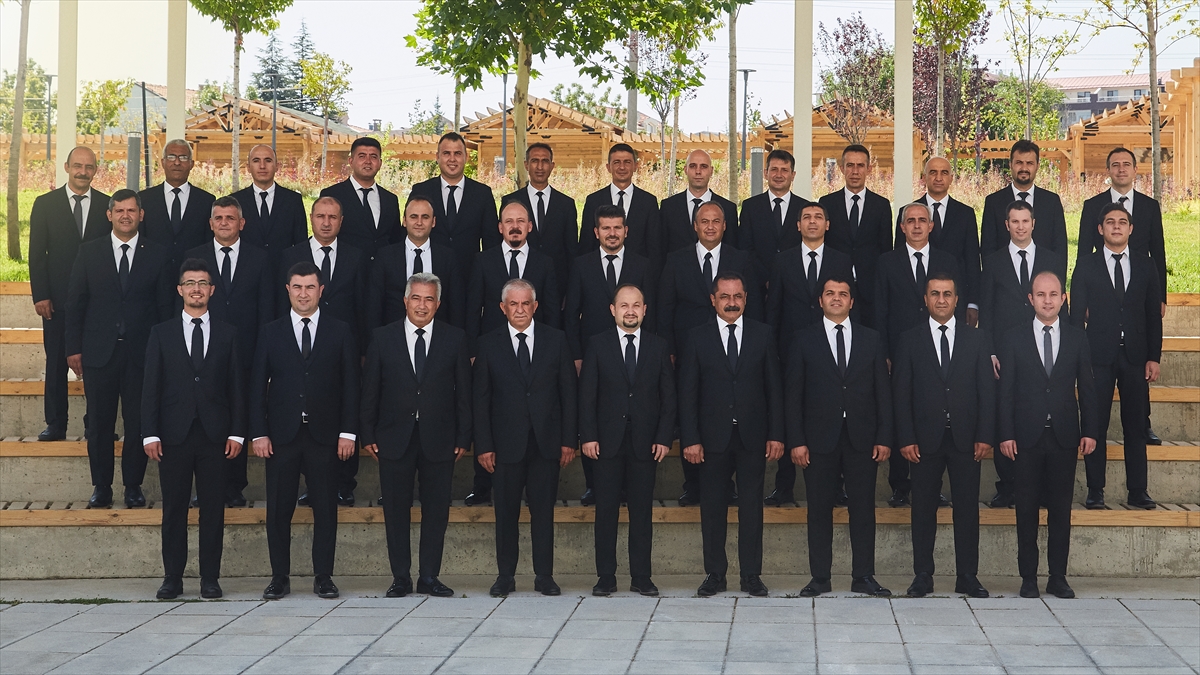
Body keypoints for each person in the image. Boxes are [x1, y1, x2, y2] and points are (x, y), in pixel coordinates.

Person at [251, 262, 360, 601]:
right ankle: (279, 577)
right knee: (278, 510)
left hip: (325, 436)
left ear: (320, 290)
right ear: (288, 290)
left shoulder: (340, 331)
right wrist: (258, 432)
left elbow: (351, 386)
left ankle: (323, 576)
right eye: (297, 287)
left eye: (310, 287)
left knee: (326, 509)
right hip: (281, 436)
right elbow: (256, 386)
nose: (303, 294)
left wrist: (348, 432)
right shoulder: (270, 332)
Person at [360, 273, 471, 598]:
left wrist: (464, 436)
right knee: (396, 511)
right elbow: (370, 390)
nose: (422, 305)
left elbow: (464, 393)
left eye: (429, 299)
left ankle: (429, 576)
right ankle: (400, 577)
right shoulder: (382, 337)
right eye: (417, 298)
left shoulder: (455, 338)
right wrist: (367, 432)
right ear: (405, 300)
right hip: (393, 437)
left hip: (440, 438)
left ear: (438, 303)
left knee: (436, 511)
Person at [142, 258, 245, 600]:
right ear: (179, 290)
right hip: (173, 435)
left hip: (216, 435)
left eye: (202, 283)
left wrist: (237, 432)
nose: (196, 289)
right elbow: (151, 387)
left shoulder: (229, 333)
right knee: (174, 509)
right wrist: (150, 432)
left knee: (213, 510)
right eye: (190, 283)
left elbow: (237, 387)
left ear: (212, 290)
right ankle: (172, 578)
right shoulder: (161, 333)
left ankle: (210, 578)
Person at [65, 189, 174, 508]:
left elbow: (165, 308)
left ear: (141, 215)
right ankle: (101, 486)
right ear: (109, 215)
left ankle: (133, 486)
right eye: (120, 210)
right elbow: (76, 303)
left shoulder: (158, 253)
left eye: (132, 210)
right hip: (99, 353)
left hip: (142, 354)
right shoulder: (89, 252)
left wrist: (165, 352)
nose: (126, 216)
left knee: (138, 422)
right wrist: (73, 348)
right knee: (99, 423)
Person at [678, 271, 784, 598]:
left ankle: (751, 575)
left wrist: (777, 434)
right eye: (725, 297)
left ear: (746, 299)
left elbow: (774, 389)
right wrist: (691, 438)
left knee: (752, 508)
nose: (732, 302)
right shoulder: (696, 337)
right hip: (711, 439)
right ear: (713, 300)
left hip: (753, 436)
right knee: (712, 507)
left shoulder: (763, 335)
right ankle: (715, 574)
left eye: (737, 296)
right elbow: (688, 392)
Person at [786, 276, 892, 598]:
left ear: (851, 301)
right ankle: (820, 577)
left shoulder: (871, 339)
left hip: (862, 437)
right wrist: (797, 440)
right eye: (830, 293)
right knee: (818, 509)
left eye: (843, 294)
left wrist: (884, 436)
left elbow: (883, 392)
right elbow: (793, 395)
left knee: (863, 509)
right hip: (818, 439)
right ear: (820, 301)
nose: (836, 298)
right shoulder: (803, 339)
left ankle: (864, 576)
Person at [473, 279, 577, 597]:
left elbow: (568, 394)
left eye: (525, 303)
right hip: (504, 445)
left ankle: (544, 576)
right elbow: (481, 399)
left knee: (543, 512)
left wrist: (568, 440)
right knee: (505, 513)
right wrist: (484, 445)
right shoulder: (488, 344)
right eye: (513, 304)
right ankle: (505, 576)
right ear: (503, 308)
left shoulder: (556, 340)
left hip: (546, 443)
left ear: (535, 306)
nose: (520, 310)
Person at [998, 270, 1099, 599]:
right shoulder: (1013, 337)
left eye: (1053, 294)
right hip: (1025, 437)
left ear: (1063, 298)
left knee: (1060, 510)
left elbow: (1087, 388)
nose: (1047, 300)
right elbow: (1006, 392)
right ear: (1030, 299)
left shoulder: (1077, 338)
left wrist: (1090, 430)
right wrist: (1006, 433)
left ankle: (1058, 577)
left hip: (1064, 436)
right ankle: (1028, 577)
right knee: (1025, 509)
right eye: (1040, 295)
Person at [892, 273, 994, 598]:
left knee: (967, 508)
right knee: (922, 509)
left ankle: (967, 575)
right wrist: (906, 437)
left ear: (956, 299)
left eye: (947, 294)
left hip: (966, 438)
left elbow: (986, 391)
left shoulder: (976, 339)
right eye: (935, 293)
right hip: (923, 440)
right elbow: (901, 394)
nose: (941, 299)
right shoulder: (909, 340)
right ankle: (923, 575)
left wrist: (985, 435)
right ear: (925, 299)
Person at [659, 202, 760, 506]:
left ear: (725, 226)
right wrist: (669, 350)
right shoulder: (676, 259)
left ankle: (726, 484)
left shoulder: (740, 259)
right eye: (705, 221)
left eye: (717, 221)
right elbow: (665, 307)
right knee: (691, 412)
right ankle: (693, 484)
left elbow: (754, 306)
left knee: (725, 415)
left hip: (732, 351)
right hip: (688, 351)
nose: (711, 226)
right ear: (695, 226)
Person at [578, 283, 675, 597]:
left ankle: (641, 577)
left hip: (646, 444)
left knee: (642, 513)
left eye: (636, 305)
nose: (630, 311)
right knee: (605, 511)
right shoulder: (597, 344)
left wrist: (664, 437)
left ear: (645, 310)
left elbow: (668, 398)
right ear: (613, 310)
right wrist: (588, 436)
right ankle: (606, 577)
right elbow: (587, 395)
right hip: (606, 443)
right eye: (624, 305)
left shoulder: (658, 346)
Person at [1070, 203, 1162, 510]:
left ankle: (1138, 491)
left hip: (1135, 357)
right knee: (1094, 423)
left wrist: (1154, 357)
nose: (1117, 227)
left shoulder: (1145, 264)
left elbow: (1153, 315)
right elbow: (1075, 317)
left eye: (1122, 222)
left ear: (1131, 229)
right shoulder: (1086, 265)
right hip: (1097, 356)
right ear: (1100, 229)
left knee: (1135, 425)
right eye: (1110, 222)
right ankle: (1095, 490)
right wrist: (1077, 359)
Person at [184, 196, 274, 507]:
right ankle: (207, 487)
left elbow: (266, 310)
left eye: (230, 218)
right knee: (206, 419)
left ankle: (235, 486)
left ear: (242, 223)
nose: (224, 223)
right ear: (211, 223)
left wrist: (263, 355)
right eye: (219, 218)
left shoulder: (260, 258)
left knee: (239, 417)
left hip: (246, 353)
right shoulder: (194, 258)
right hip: (204, 354)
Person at [563, 204, 656, 505]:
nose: (612, 233)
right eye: (606, 228)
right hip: (593, 358)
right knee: (594, 414)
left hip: (632, 356)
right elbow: (571, 313)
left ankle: (629, 486)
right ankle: (594, 484)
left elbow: (651, 313)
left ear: (626, 231)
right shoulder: (582, 265)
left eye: (617, 227)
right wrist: (577, 356)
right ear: (596, 232)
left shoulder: (642, 265)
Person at [278, 197, 367, 506]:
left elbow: (363, 305)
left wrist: (363, 349)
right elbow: (281, 304)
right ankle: (311, 484)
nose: (326, 222)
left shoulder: (356, 256)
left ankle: (345, 483)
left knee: (344, 407)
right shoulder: (291, 255)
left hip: (344, 346)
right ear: (311, 218)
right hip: (301, 347)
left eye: (332, 217)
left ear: (341, 221)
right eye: (320, 216)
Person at [978, 200, 1067, 508]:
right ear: (1007, 225)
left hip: (1042, 349)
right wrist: (990, 351)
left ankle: (1039, 488)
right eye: (1014, 221)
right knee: (1005, 414)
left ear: (1033, 224)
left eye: (1024, 221)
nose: (1019, 226)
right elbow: (986, 310)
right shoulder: (993, 261)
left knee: (1036, 414)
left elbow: (1060, 304)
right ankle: (1007, 486)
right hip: (1004, 352)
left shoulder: (1051, 259)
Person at [764, 202, 854, 506]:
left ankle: (837, 486)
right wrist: (773, 350)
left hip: (832, 353)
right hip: (791, 351)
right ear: (798, 225)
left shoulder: (842, 260)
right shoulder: (782, 261)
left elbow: (848, 304)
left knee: (833, 413)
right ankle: (784, 486)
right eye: (806, 217)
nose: (812, 222)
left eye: (818, 217)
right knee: (790, 411)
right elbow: (774, 308)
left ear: (827, 225)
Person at [1078, 147, 1167, 446]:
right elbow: (1083, 253)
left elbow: (1158, 251)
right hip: (1104, 296)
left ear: (1135, 170)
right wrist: (1083, 300)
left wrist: (1160, 297)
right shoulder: (1092, 205)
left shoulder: (1149, 206)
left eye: (1126, 164)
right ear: (1108, 171)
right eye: (1115, 165)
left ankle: (1144, 423)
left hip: (1139, 294)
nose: (1121, 169)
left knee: (1139, 358)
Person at [876, 202, 962, 507]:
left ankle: (931, 485)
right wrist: (884, 352)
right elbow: (880, 310)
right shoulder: (886, 262)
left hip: (939, 350)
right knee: (901, 411)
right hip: (900, 350)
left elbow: (955, 304)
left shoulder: (947, 260)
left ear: (931, 226)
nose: (916, 225)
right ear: (901, 227)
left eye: (922, 220)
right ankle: (900, 485)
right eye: (910, 221)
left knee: (931, 414)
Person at [28, 146, 111, 441]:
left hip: (97, 301)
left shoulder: (107, 205)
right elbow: (36, 253)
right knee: (55, 362)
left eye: (89, 167)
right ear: (66, 167)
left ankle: (95, 424)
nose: (83, 172)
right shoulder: (45, 204)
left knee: (98, 364)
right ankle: (56, 423)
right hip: (57, 300)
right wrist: (41, 294)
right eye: (78, 166)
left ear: (96, 170)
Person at [465, 200, 562, 353]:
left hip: (535, 347)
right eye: (509, 221)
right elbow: (473, 309)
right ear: (500, 227)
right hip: (492, 347)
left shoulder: (545, 263)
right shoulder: (483, 261)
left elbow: (552, 310)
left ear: (530, 226)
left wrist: (552, 347)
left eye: (520, 221)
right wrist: (472, 350)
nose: (515, 226)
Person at [896, 157, 981, 326]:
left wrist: (973, 303)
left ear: (951, 178)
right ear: (924, 177)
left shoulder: (965, 214)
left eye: (944, 173)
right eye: (933, 172)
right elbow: (899, 259)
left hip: (953, 299)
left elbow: (972, 261)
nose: (938, 178)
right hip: (912, 302)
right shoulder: (908, 212)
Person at [366, 195, 464, 333]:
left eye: (425, 217)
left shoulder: (447, 257)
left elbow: (456, 305)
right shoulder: (385, 256)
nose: (419, 222)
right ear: (404, 221)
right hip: (393, 336)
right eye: (413, 217)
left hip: (438, 337)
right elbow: (374, 304)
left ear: (433, 222)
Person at [820, 144, 893, 328]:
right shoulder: (827, 203)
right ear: (841, 168)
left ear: (869, 169)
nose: (855, 171)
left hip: (871, 286)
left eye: (860, 165)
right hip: (836, 285)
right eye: (850, 165)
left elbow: (885, 249)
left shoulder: (881, 205)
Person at [411, 132, 501, 276]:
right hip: (429, 275)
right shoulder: (421, 190)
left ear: (466, 157)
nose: (452, 159)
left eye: (457, 153)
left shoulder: (482, 194)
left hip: (470, 275)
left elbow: (492, 242)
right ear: (437, 157)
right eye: (446, 153)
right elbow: (409, 234)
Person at [500, 143, 578, 293]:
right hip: (519, 281)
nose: (540, 167)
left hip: (557, 283)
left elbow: (571, 249)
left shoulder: (566, 204)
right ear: (526, 165)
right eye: (535, 161)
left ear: (552, 166)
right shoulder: (510, 201)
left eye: (545, 161)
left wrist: (571, 290)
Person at [980, 140, 1067, 272]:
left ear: (1037, 166)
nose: (1024, 168)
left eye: (1029, 163)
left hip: (1043, 278)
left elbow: (1060, 248)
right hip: (1005, 279)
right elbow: (988, 249)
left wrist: (1056, 281)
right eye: (1019, 162)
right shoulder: (994, 202)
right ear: (1011, 164)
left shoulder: (1051, 202)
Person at [319, 137, 402, 264]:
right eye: (362, 156)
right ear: (351, 161)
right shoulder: (332, 195)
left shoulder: (390, 199)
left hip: (382, 270)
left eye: (373, 157)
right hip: (346, 268)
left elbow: (395, 240)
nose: (368, 161)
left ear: (380, 163)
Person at [578, 144, 662, 269]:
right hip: (601, 271)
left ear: (635, 166)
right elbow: (586, 243)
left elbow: (654, 246)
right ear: (608, 167)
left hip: (638, 272)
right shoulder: (593, 201)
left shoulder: (648, 202)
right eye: (616, 162)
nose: (622, 167)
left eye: (627, 162)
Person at [138, 139, 216, 273]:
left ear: (191, 164)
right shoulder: (144, 199)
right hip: (153, 274)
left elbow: (209, 244)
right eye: (171, 157)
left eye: (183, 157)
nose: (177, 162)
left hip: (193, 276)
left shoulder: (206, 201)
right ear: (163, 162)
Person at [232, 144, 309, 264]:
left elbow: (301, 243)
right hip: (246, 269)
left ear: (277, 166)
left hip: (283, 269)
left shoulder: (293, 200)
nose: (262, 166)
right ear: (248, 167)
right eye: (256, 161)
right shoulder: (235, 201)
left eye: (268, 160)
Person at [739, 149, 807, 280]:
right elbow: (745, 247)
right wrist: (765, 278)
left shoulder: (804, 208)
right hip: (758, 282)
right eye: (774, 169)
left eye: (784, 170)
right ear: (766, 173)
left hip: (795, 281)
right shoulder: (750, 207)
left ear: (793, 175)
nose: (779, 175)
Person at [661, 149, 740, 252]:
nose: (698, 171)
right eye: (693, 166)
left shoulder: (728, 209)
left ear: (711, 171)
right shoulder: (668, 207)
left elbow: (732, 250)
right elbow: (661, 248)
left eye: (703, 166)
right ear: (685, 170)